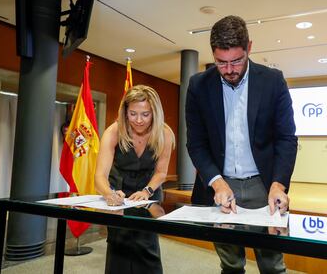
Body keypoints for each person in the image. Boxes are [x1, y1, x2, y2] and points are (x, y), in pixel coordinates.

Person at [185, 15, 297, 274]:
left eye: (236, 60)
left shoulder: (273, 81)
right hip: (221, 186)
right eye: (221, 63)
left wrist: (278, 184)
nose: (229, 70)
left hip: (264, 185)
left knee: (272, 265)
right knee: (231, 264)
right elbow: (197, 143)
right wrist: (216, 181)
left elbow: (286, 138)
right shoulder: (198, 86)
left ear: (249, 48)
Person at [95, 84, 175, 274]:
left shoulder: (165, 133)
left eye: (145, 114)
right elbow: (100, 175)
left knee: (147, 244)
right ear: (125, 112)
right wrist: (109, 194)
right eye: (133, 114)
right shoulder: (113, 132)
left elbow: (161, 172)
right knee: (118, 245)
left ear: (154, 113)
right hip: (118, 191)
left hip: (149, 190)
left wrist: (147, 191)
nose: (139, 120)